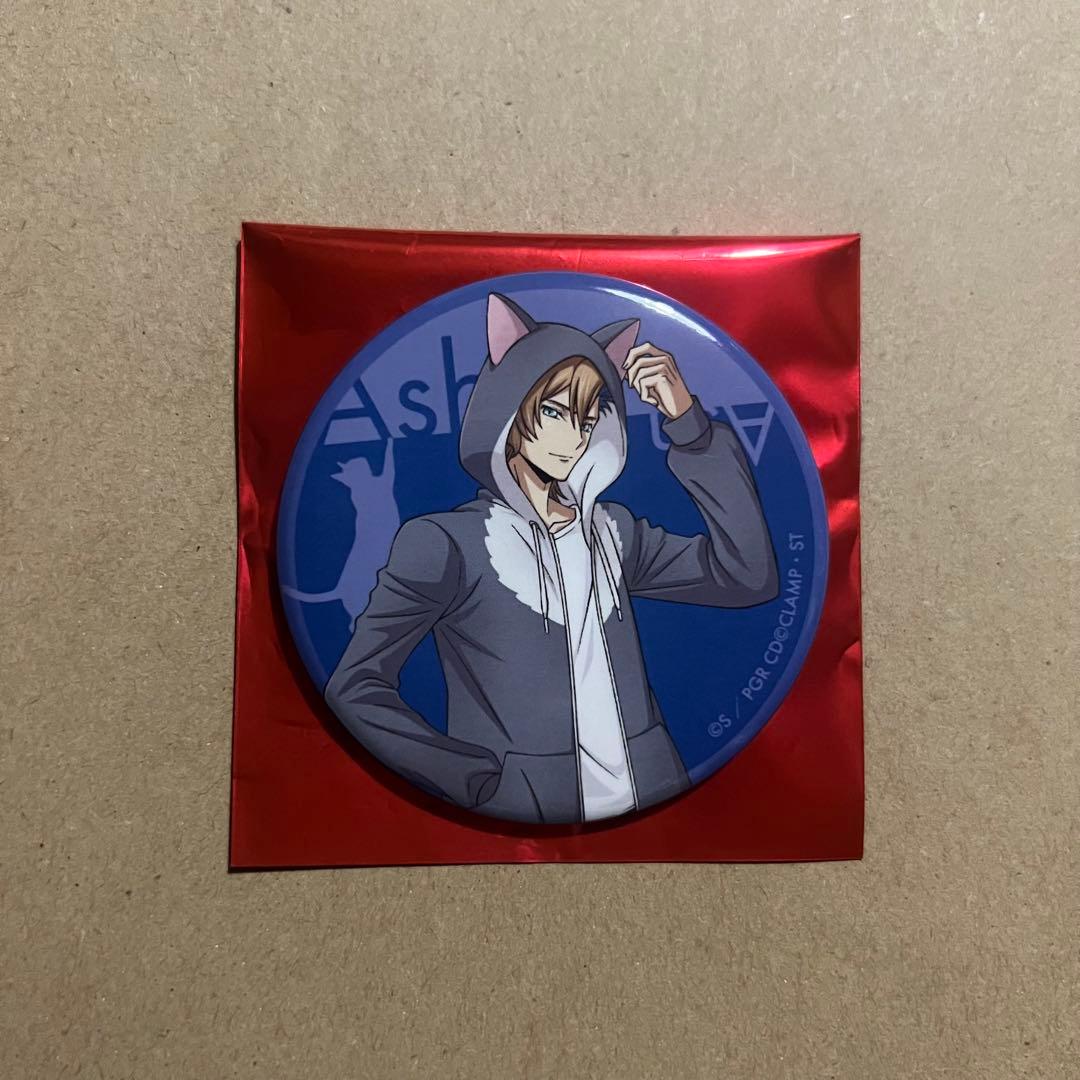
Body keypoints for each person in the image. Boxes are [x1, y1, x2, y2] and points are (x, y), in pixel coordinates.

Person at [324, 294, 778, 824]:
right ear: (509, 408)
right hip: (516, 818)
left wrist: (690, 427)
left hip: (656, 795)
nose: (574, 437)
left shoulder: (614, 532)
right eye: (554, 412)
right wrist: (468, 778)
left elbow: (747, 576)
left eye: (589, 417)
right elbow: (355, 686)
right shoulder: (447, 543)